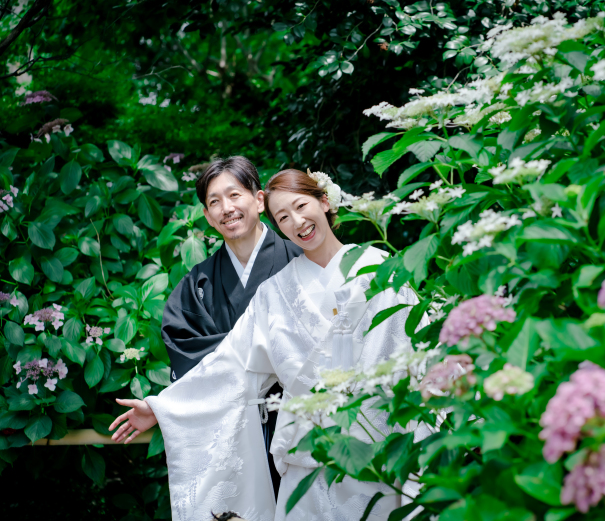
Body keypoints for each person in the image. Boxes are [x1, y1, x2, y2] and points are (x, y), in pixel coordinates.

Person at [110, 169, 424, 521]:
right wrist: (162, 408)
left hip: (381, 446)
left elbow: (417, 352)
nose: (297, 222)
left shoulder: (380, 269)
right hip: (311, 458)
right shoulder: (274, 292)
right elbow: (230, 363)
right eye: (284, 217)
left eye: (302, 206)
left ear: (324, 201)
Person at [118, 156, 302, 499]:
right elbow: (189, 359)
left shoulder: (300, 261)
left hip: (297, 424)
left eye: (234, 195)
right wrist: (163, 406)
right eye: (214, 202)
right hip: (229, 434)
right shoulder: (197, 283)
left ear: (259, 200)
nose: (226, 208)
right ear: (206, 216)